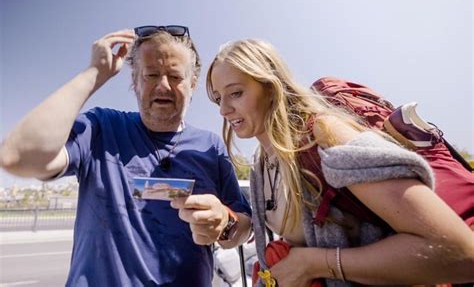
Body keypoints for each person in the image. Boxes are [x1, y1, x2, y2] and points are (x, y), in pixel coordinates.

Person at [206, 39, 474, 287]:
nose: (222, 109)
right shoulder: (262, 163)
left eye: (236, 93)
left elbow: (459, 253)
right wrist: (224, 223)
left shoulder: (325, 135)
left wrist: (314, 264)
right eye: (218, 98)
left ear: (270, 86)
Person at [0, 26, 252, 286]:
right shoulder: (101, 128)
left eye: (175, 76)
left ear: (192, 84)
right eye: (151, 74)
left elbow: (244, 228)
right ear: (134, 81)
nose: (163, 85)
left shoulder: (210, 146)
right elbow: (17, 156)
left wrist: (225, 222)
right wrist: (94, 74)